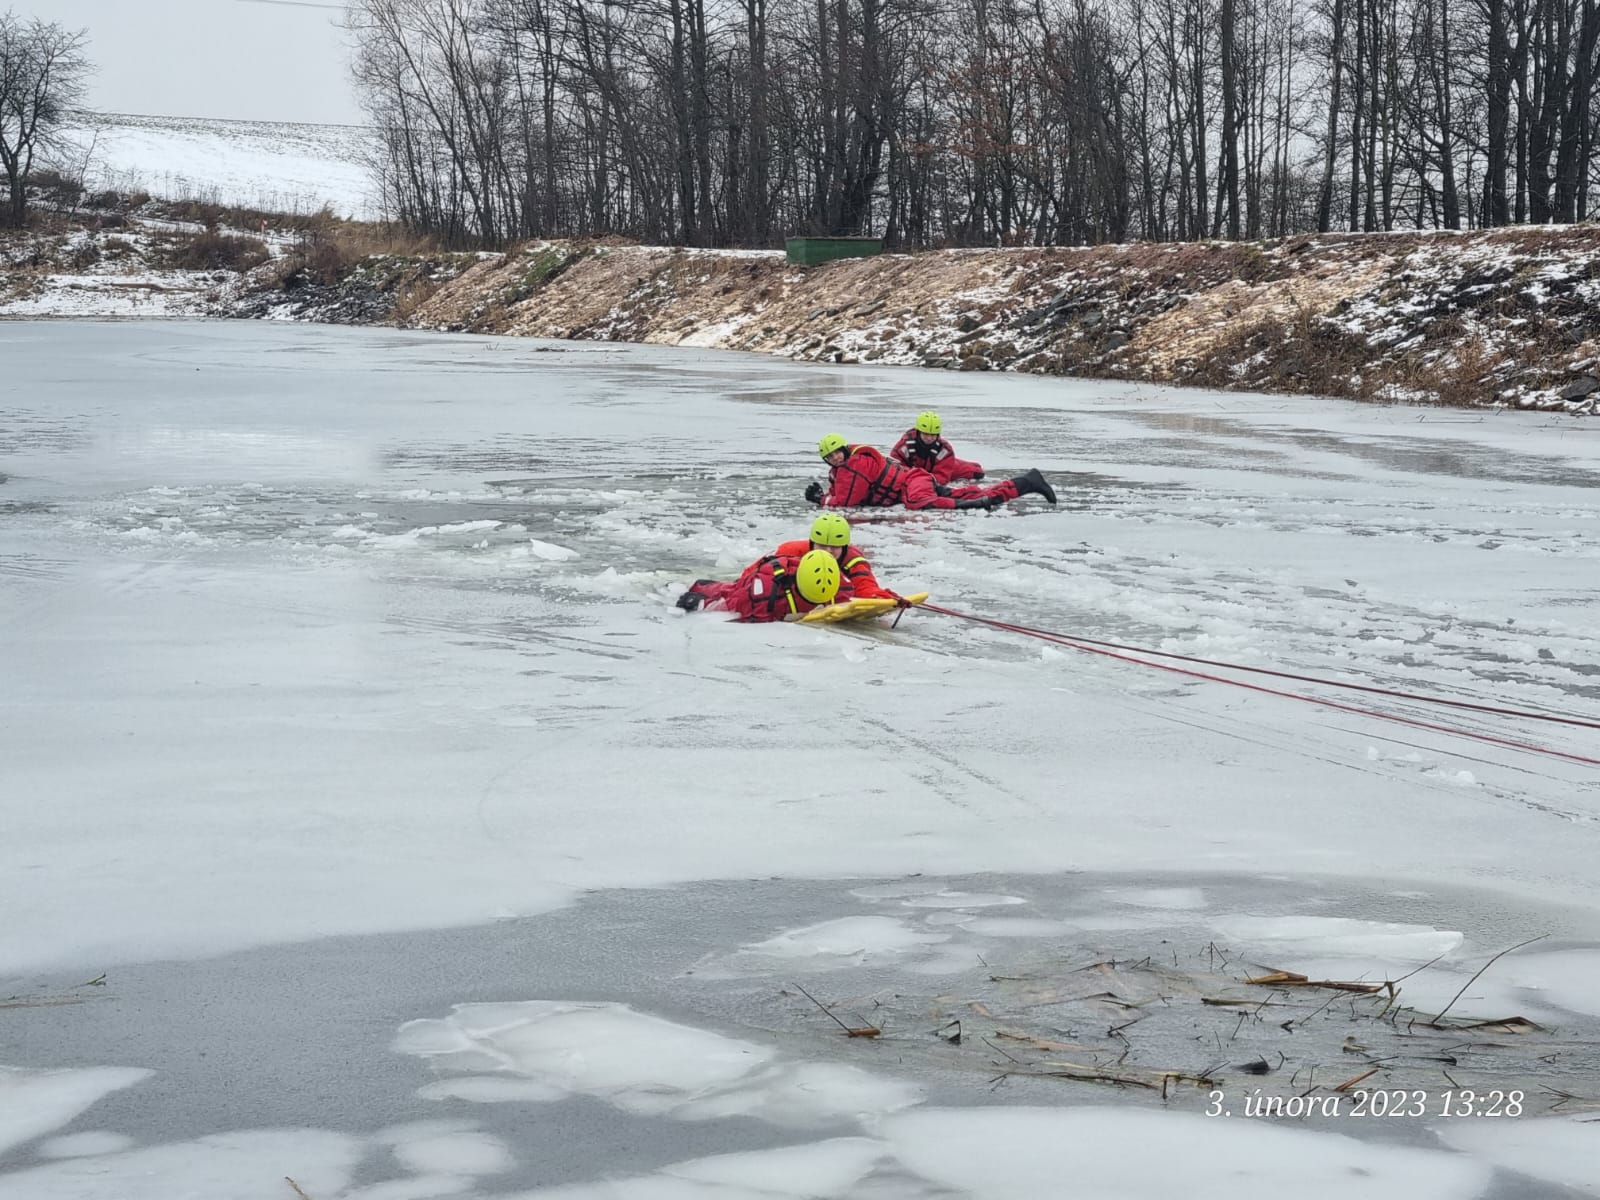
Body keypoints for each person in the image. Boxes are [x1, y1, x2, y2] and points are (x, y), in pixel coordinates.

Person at [806, 434, 1056, 511]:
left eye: (838, 452)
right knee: (967, 491)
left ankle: (978, 503)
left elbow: (849, 501)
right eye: (831, 456)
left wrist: (822, 500)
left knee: (921, 503)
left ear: (844, 450)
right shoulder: (848, 466)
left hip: (913, 483)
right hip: (916, 478)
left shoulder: (854, 466)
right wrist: (826, 494)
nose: (836, 457)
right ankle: (1025, 483)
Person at [676, 548, 844, 621]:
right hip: (751, 585)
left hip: (772, 581)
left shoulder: (837, 584)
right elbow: (732, 606)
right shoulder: (764, 594)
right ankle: (684, 586)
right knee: (724, 591)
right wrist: (701, 605)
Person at [773, 512, 900, 602]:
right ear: (812, 544)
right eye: (822, 546)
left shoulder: (853, 562)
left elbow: (865, 586)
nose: (828, 551)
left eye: (835, 547)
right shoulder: (790, 553)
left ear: (844, 547)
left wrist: (880, 597)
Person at [891, 411, 985, 483]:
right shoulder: (903, 446)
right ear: (918, 432)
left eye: (933, 435)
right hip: (916, 471)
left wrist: (921, 479)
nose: (929, 438)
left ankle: (975, 469)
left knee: (977, 472)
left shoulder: (945, 450)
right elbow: (893, 468)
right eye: (926, 434)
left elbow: (942, 478)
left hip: (941, 467)